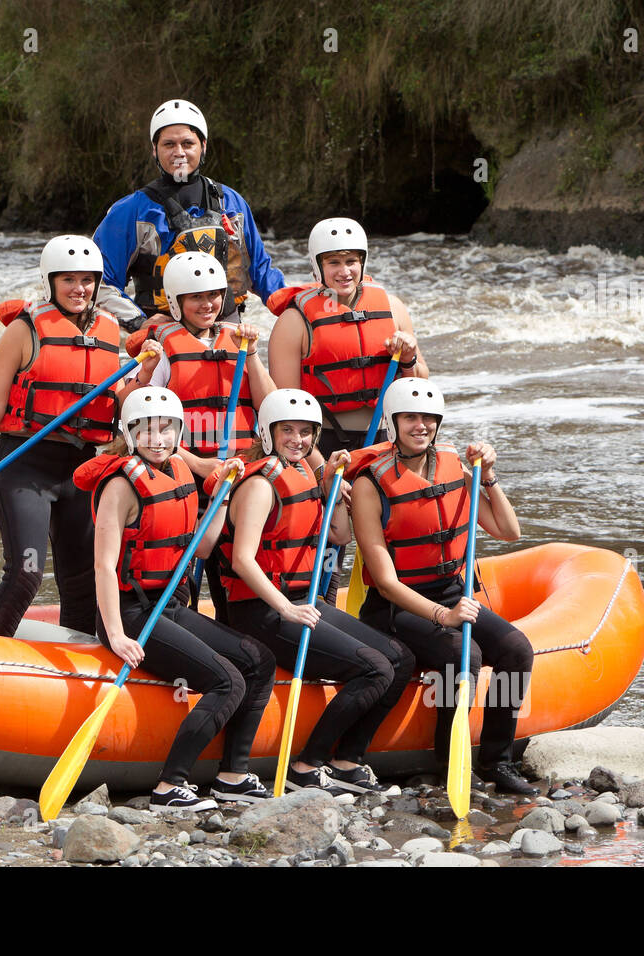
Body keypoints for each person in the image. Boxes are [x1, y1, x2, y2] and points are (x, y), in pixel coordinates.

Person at [74, 387, 276, 811]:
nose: (157, 438)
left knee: (259, 659)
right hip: (131, 613)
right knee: (226, 680)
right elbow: (104, 567)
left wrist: (221, 496)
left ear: (179, 431)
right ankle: (170, 787)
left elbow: (201, 549)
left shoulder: (180, 468)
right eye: (146, 430)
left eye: (166, 428)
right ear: (129, 434)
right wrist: (115, 634)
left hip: (168, 604)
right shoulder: (120, 486)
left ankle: (232, 776)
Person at [216, 389, 416, 797]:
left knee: (401, 658)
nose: (298, 439)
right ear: (268, 432)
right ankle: (307, 765)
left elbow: (339, 534)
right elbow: (242, 560)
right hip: (262, 610)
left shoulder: (307, 472)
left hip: (301, 602)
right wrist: (286, 608)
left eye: (306, 432)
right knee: (375, 668)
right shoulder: (260, 484)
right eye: (287, 430)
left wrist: (332, 486)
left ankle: (347, 761)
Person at [347, 378, 539, 795]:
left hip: (452, 592)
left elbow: (509, 531)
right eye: (411, 418)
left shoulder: (458, 467)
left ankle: (497, 760)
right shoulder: (370, 484)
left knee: (516, 649)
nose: (421, 426)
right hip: (396, 608)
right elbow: (383, 580)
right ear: (393, 423)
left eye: (429, 419)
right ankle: (449, 760)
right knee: (462, 654)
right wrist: (443, 617)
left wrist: (487, 477)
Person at [0, 235, 157, 639]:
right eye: (68, 279)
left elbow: (117, 402)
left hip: (83, 469)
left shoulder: (109, 328)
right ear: (50, 282)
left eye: (87, 280)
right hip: (26, 464)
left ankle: (75, 668)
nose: (79, 289)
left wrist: (146, 375)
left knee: (83, 579)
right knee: (26, 573)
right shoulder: (24, 330)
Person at [267, 218, 428, 600]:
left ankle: (392, 611)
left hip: (384, 442)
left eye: (352, 261)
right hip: (325, 444)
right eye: (334, 262)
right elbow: (286, 414)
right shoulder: (295, 321)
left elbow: (421, 387)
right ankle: (320, 606)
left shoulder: (391, 308)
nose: (344, 271)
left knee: (394, 532)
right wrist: (320, 467)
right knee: (330, 540)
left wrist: (408, 357)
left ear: (363, 262)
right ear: (318, 266)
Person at [135, 251, 276, 621]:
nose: (208, 304)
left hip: (237, 472)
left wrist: (255, 355)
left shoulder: (238, 340)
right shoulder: (163, 347)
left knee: (230, 567)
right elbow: (145, 427)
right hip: (184, 471)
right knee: (185, 570)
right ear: (177, 302)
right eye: (196, 297)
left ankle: (236, 638)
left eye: (214, 295)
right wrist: (198, 464)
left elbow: (270, 406)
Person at [93, 99, 285, 330]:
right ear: (155, 149)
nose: (179, 152)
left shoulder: (232, 203)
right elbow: (99, 282)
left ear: (203, 146)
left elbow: (261, 272)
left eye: (187, 143)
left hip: (225, 328)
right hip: (163, 336)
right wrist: (140, 321)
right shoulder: (131, 211)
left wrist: (294, 307)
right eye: (169, 144)